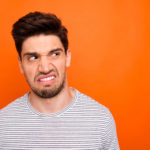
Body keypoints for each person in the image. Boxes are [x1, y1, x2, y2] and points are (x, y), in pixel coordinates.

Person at [0, 11, 120, 149]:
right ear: (21, 64)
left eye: (54, 54)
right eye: (33, 58)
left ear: (67, 57)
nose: (45, 68)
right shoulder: (3, 125)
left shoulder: (101, 120)